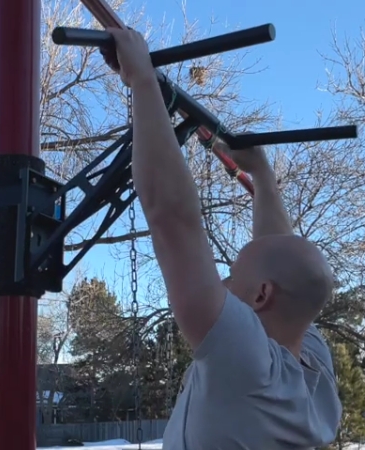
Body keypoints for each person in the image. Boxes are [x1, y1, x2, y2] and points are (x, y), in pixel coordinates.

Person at [105, 28, 342, 449]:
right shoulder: (312, 368)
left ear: (261, 296)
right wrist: (262, 177)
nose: (223, 283)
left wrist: (142, 81)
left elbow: (174, 220)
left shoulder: (248, 364)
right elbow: (281, 257)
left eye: (232, 275)